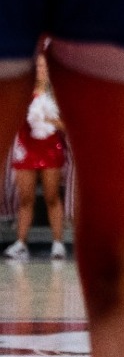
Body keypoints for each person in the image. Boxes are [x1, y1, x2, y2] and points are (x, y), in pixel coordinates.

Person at [7, 57, 68, 261]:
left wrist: (49, 119)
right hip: (26, 146)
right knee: (25, 198)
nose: (41, 70)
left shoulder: (57, 93)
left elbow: (67, 125)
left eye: (44, 66)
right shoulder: (22, 91)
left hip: (50, 147)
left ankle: (58, 244)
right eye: (38, 66)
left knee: (52, 196)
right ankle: (21, 243)